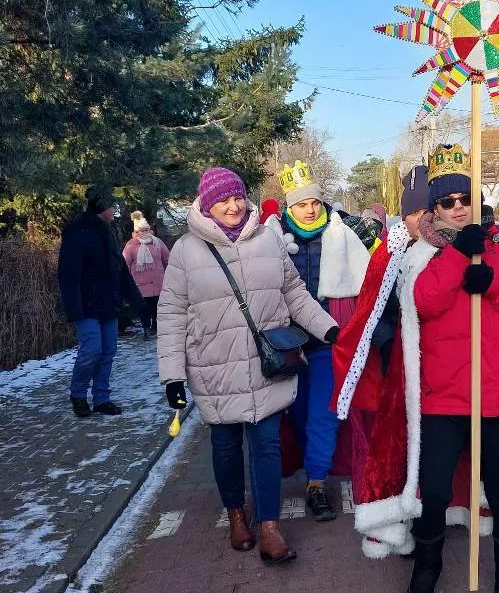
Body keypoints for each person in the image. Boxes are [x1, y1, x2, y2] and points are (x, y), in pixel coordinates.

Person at [337, 146, 499, 593]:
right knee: (433, 490)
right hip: (444, 402)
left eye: (464, 197)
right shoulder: (420, 257)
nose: (457, 206)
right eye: (446, 201)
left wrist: (489, 279)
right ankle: (425, 569)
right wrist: (458, 259)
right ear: (434, 210)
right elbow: (423, 303)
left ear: (478, 200)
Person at [157, 167, 338, 562]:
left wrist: (329, 330)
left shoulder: (268, 239)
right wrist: (172, 376)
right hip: (214, 369)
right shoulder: (187, 250)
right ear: (207, 204)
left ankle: (270, 526)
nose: (234, 206)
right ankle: (237, 515)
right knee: (225, 447)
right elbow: (171, 314)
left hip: (265, 364)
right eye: (223, 200)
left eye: (238, 197)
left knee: (267, 446)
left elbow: (295, 293)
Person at [264, 160, 371, 521]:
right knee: (296, 414)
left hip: (328, 338)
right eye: (300, 204)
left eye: (314, 202)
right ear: (289, 207)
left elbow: (367, 280)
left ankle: (316, 482)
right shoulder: (270, 238)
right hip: (285, 342)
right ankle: (304, 464)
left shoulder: (343, 233)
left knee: (324, 413)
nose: (310, 210)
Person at [331, 165, 430, 499]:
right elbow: (373, 311)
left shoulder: (454, 249)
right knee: (400, 438)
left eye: (429, 210)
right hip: (397, 363)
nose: (423, 219)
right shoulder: (389, 254)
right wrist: (390, 348)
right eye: (415, 212)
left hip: (441, 365)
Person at [58, 185, 147, 417]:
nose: (115, 211)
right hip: (85, 305)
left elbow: (120, 269)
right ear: (102, 207)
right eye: (111, 206)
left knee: (108, 351)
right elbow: (68, 274)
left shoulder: (107, 231)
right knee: (92, 350)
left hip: (108, 303)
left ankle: (101, 398)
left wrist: (136, 300)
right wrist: (73, 309)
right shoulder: (77, 232)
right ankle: (78, 396)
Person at [122, 211, 170, 338]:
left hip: (158, 283)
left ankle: (156, 327)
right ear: (136, 232)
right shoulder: (130, 245)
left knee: (157, 308)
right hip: (140, 285)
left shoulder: (157, 242)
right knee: (143, 308)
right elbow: (124, 264)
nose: (144, 232)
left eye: (146, 230)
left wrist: (171, 273)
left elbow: (167, 259)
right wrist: (126, 282)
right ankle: (146, 329)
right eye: (141, 230)